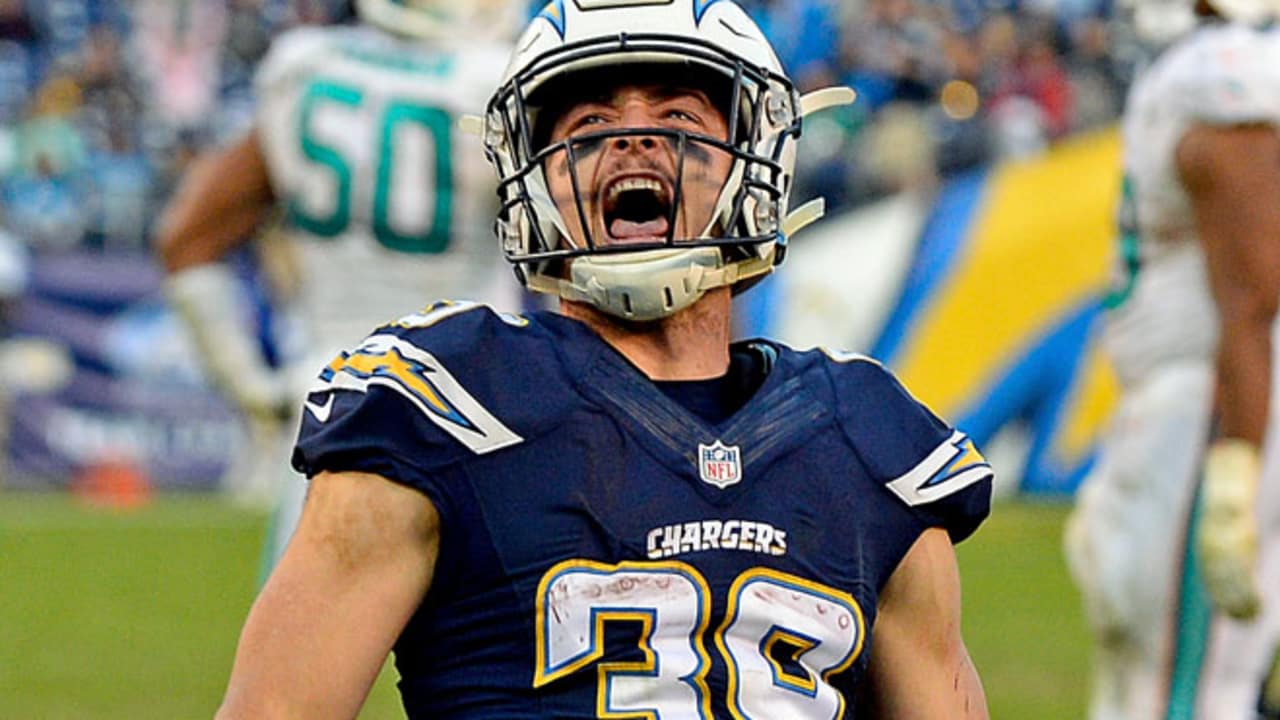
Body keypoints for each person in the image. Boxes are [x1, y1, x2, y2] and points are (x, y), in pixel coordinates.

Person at [213, 1, 994, 717]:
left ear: (752, 160)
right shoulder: (445, 407)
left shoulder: (869, 441)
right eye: (587, 120)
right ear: (532, 174)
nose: (632, 136)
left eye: (680, 114)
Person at [154, 0, 525, 567]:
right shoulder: (495, 83)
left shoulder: (307, 69)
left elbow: (185, 237)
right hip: (476, 396)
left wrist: (251, 386)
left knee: (301, 647)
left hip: (334, 395)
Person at [1063, 0, 1280, 717]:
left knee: (1184, 692)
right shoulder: (1204, 68)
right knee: (1149, 683)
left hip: (1212, 405)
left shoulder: (1227, 76)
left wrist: (1235, 469)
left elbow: (1253, 294)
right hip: (1184, 398)